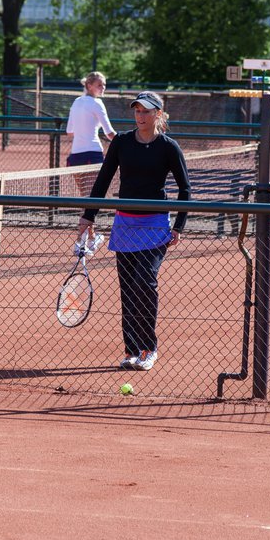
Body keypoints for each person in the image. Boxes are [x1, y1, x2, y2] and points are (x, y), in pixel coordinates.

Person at [76, 91, 190, 372]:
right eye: (137, 111)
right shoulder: (122, 143)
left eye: (146, 111)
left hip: (155, 226)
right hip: (124, 226)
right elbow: (103, 179)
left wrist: (179, 226)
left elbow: (185, 188)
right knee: (128, 289)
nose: (140, 116)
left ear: (158, 115)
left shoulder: (168, 147)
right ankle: (131, 351)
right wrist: (88, 217)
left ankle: (149, 348)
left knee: (144, 282)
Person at [65, 71, 117, 195]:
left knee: (85, 195)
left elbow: (69, 132)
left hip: (75, 156)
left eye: (104, 84)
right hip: (92, 154)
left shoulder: (76, 101)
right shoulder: (97, 103)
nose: (103, 87)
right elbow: (109, 133)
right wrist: (127, 143)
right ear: (89, 86)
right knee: (91, 196)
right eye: (99, 85)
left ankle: (85, 214)